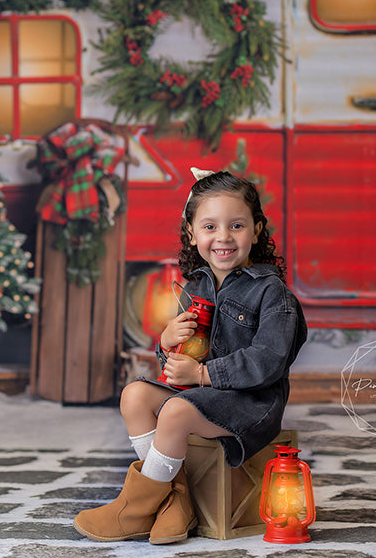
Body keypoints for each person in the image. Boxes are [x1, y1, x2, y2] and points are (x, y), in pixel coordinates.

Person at [74, 168, 308, 545]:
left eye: (236, 226)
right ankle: (174, 501)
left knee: (176, 411)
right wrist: (166, 342)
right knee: (134, 395)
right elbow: (184, 357)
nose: (223, 238)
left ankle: (135, 509)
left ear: (257, 230)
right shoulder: (198, 284)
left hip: (251, 404)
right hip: (203, 394)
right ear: (192, 232)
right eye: (210, 226)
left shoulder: (272, 294)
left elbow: (269, 361)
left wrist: (201, 375)